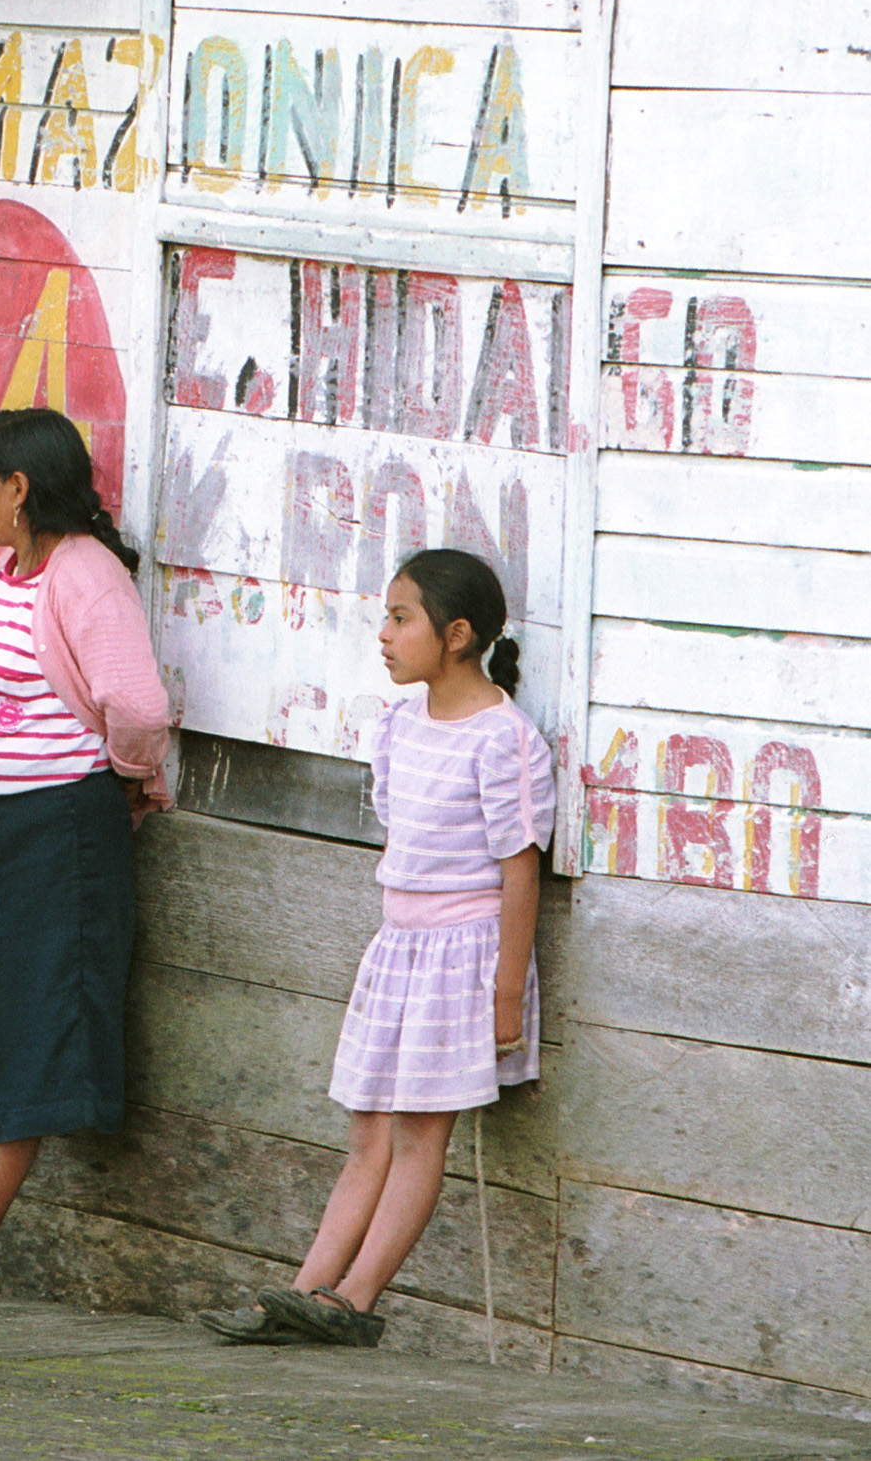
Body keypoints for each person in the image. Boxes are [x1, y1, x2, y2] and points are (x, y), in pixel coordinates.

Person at [198, 549, 549, 1346]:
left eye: (401, 618)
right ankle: (301, 1290)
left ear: (457, 635)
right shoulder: (399, 724)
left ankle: (355, 1297)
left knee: (422, 1130)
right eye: (385, 618)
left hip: (465, 952)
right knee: (367, 1129)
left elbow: (519, 875)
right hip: (399, 945)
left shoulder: (504, 739)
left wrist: (504, 993)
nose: (383, 635)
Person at [0, 406, 170, 1297]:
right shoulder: (18, 567)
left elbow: (138, 706)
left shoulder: (85, 576)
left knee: (25, 1023)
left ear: (19, 488)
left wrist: (124, 776)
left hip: (50, 833)